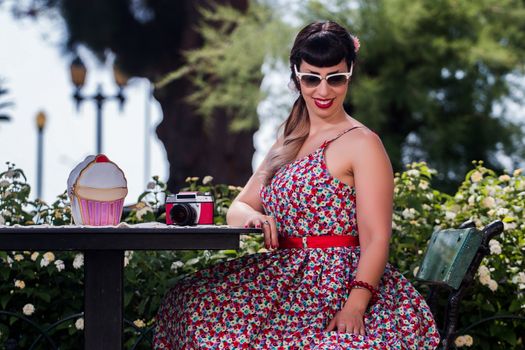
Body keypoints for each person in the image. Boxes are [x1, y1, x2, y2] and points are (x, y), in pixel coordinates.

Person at [154, 21, 440, 349]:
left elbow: (376, 238)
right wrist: (255, 219)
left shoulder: (363, 144)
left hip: (341, 288)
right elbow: (238, 207)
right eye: (311, 78)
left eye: (335, 78)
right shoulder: (289, 141)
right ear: (296, 75)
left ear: (350, 73)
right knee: (187, 302)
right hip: (285, 282)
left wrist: (355, 307)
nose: (323, 91)